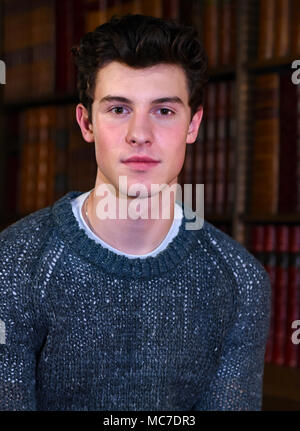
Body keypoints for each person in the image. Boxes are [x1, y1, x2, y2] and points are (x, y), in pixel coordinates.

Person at [0, 14, 271, 411]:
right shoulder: (14, 263)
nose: (139, 134)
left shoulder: (241, 282)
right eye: (118, 109)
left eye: (163, 111)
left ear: (193, 125)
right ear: (86, 122)